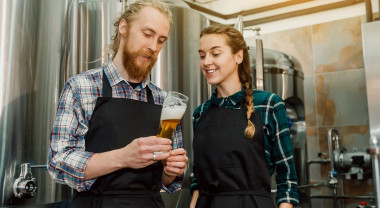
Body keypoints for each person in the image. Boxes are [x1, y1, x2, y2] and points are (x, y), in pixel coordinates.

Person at [47, 0, 188, 207]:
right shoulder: (81, 87)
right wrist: (124, 157)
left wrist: (170, 171)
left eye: (161, 40)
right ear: (124, 27)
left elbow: (166, 181)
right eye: (147, 34)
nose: (153, 46)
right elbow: (58, 162)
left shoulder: (164, 101)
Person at [189, 24, 299, 208]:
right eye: (202, 55)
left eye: (215, 54)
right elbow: (198, 181)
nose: (206, 61)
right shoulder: (200, 113)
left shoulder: (269, 104)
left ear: (238, 56)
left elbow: (287, 178)